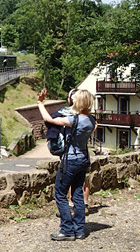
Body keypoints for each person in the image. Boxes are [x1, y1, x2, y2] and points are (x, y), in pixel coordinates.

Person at [37, 88, 96, 241]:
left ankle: (67, 230)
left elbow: (49, 119)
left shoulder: (73, 120)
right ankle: (79, 229)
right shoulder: (91, 121)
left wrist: (40, 102)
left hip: (70, 160)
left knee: (60, 194)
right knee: (77, 193)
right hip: (84, 159)